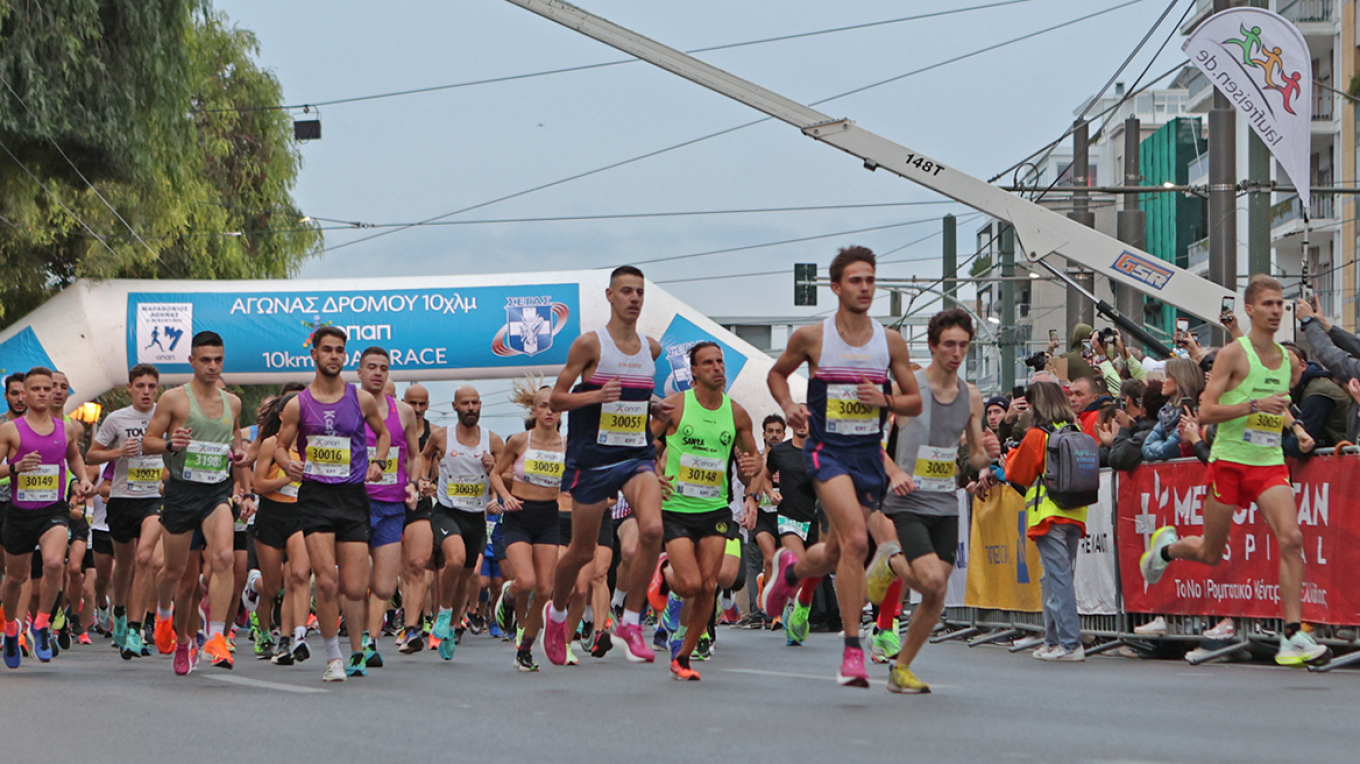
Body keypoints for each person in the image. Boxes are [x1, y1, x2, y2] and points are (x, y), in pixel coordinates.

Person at [1142, 275, 1329, 667]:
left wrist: (1297, 429)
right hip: (1228, 462)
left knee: (1292, 538)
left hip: (1267, 463)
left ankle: (1293, 634)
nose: (1276, 311)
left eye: (1280, 304)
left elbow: (1281, 406)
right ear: (1249, 308)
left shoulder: (1282, 358)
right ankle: (1166, 549)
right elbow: (1206, 411)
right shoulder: (1232, 355)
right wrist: (1253, 406)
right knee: (1210, 553)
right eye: (1268, 304)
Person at [763, 246, 922, 688]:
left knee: (835, 553)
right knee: (855, 539)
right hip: (825, 453)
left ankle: (791, 572)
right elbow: (777, 374)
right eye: (856, 280)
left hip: (868, 456)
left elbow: (914, 399)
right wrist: (789, 404)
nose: (865, 288)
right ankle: (854, 648)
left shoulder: (889, 342)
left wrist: (885, 400)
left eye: (871, 280)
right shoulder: (814, 337)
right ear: (835, 287)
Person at [866, 308, 993, 692]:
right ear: (933, 346)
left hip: (945, 502)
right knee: (930, 579)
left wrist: (988, 452)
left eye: (964, 346)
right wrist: (895, 473)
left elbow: (973, 457)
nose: (956, 353)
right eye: (949, 344)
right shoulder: (908, 389)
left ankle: (901, 667)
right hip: (907, 500)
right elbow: (868, 441)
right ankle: (889, 559)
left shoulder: (971, 396)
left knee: (936, 592)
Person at [545, 265, 666, 665]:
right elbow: (558, 399)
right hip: (592, 461)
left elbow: (633, 395)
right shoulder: (590, 345)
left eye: (640, 292)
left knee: (651, 529)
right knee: (581, 552)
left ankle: (630, 620)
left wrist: (651, 404)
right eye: (626, 291)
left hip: (635, 455)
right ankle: (558, 614)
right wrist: (593, 398)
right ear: (610, 296)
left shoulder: (652, 349)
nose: (634, 298)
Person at [273, 326, 391, 681]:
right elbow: (280, 444)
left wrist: (379, 461)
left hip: (352, 496)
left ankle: (357, 652)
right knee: (325, 582)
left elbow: (383, 435)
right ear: (314, 355)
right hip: (316, 497)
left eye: (340, 350)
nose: (334, 356)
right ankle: (333, 657)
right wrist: (286, 463)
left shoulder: (362, 399)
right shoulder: (299, 403)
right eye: (327, 350)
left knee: (355, 587)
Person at [142, 333, 252, 675]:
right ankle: (164, 616)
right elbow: (148, 443)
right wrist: (170, 444)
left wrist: (240, 456)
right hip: (181, 492)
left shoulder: (232, 403)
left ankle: (216, 636)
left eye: (218, 360)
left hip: (216, 492)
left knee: (223, 558)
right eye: (205, 360)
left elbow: (234, 441)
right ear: (191, 361)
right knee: (177, 575)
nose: (212, 366)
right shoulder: (174, 400)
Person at [651, 342, 760, 680]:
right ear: (694, 371)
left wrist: (751, 479)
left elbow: (750, 465)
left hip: (715, 510)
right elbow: (646, 446)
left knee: (709, 586)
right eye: (708, 363)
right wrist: (653, 473)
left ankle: (682, 656)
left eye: (720, 361)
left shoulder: (737, 414)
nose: (717, 367)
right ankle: (667, 580)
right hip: (677, 509)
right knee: (690, 584)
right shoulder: (676, 407)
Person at [0, 367, 94, 667]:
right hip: (19, 513)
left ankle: (42, 624)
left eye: (49, 388)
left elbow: (74, 456)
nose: (44, 393)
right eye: (37, 389)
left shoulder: (66, 429)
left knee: (55, 563)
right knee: (15, 578)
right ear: (24, 395)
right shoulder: (10, 431)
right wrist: (16, 468)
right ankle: (12, 629)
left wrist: (82, 480)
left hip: (53, 510)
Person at [84, 364, 169, 659]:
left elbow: (177, 452)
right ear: (130, 388)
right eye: (141, 386)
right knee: (125, 566)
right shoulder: (116, 419)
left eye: (152, 386)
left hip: (153, 499)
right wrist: (119, 453)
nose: (146, 391)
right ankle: (118, 608)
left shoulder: (165, 415)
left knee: (144, 557)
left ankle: (135, 630)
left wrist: (167, 477)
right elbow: (91, 455)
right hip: (121, 499)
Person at [1003, 381, 1088, 661]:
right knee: (1055, 578)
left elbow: (1017, 473)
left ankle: (1070, 643)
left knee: (1057, 578)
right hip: (1075, 511)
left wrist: (1012, 451)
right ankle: (1053, 641)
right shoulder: (1076, 430)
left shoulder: (1038, 434)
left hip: (1047, 513)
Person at [422, 385, 502, 662]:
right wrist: (423, 480)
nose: (471, 407)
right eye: (465, 403)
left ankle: (453, 626)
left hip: (475, 517)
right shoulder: (442, 437)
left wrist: (495, 494)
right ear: (455, 407)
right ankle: (443, 614)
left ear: (481, 406)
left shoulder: (492, 441)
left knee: (466, 576)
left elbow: (501, 476)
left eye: (475, 402)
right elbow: (424, 456)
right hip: (447, 511)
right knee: (454, 560)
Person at [355, 348, 424, 669]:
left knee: (384, 585)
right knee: (356, 582)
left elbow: (414, 454)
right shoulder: (347, 408)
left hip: (391, 506)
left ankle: (370, 636)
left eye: (383, 368)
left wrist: (413, 483)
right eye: (371, 367)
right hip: (354, 503)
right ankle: (363, 644)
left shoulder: (404, 412)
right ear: (359, 371)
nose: (378, 373)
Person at [491, 379, 565, 672]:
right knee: (528, 582)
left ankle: (525, 648)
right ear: (534, 410)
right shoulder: (520, 441)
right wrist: (506, 496)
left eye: (555, 407)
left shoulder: (566, 445)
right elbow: (496, 473)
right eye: (544, 406)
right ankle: (509, 595)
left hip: (548, 517)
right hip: (519, 514)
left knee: (545, 590)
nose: (549, 412)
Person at [249, 394, 312, 665]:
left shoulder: (311, 444)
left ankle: (296, 637)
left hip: (300, 515)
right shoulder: (271, 444)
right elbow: (258, 485)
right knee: (272, 587)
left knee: (298, 576)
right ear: (281, 415)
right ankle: (264, 631)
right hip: (271, 515)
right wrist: (289, 476)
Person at [397, 383, 436, 653]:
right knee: (398, 574)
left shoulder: (434, 435)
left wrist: (428, 484)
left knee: (419, 565)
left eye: (423, 404)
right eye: (413, 404)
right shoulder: (391, 428)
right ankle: (403, 618)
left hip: (420, 506)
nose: (418, 410)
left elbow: (437, 473)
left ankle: (413, 626)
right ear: (403, 402)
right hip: (389, 503)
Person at [1141, 359, 1204, 462]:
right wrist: (1160, 448)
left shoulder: (1190, 414)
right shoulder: (1165, 413)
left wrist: (1157, 447)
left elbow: (1168, 450)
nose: (1163, 381)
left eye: (1167, 376)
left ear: (1180, 380)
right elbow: (1146, 448)